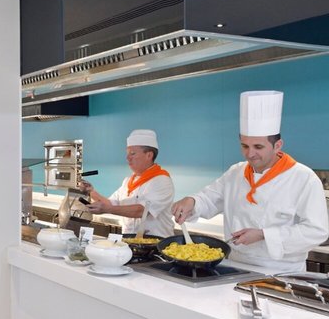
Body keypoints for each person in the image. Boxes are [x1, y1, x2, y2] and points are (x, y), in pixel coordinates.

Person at [171, 90, 329, 271]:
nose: (250, 154)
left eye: (258, 147)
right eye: (245, 146)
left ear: (277, 146)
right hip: (235, 265)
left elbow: (317, 231)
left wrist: (264, 235)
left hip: (281, 270)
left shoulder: (303, 178)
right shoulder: (236, 173)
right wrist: (192, 201)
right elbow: (210, 199)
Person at [80, 129, 174, 237]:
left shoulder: (161, 180)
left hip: (156, 243)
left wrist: (108, 209)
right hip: (129, 241)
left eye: (132, 153)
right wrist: (91, 192)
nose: (127, 158)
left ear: (149, 155)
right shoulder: (128, 181)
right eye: (127, 154)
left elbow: (141, 211)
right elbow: (110, 204)